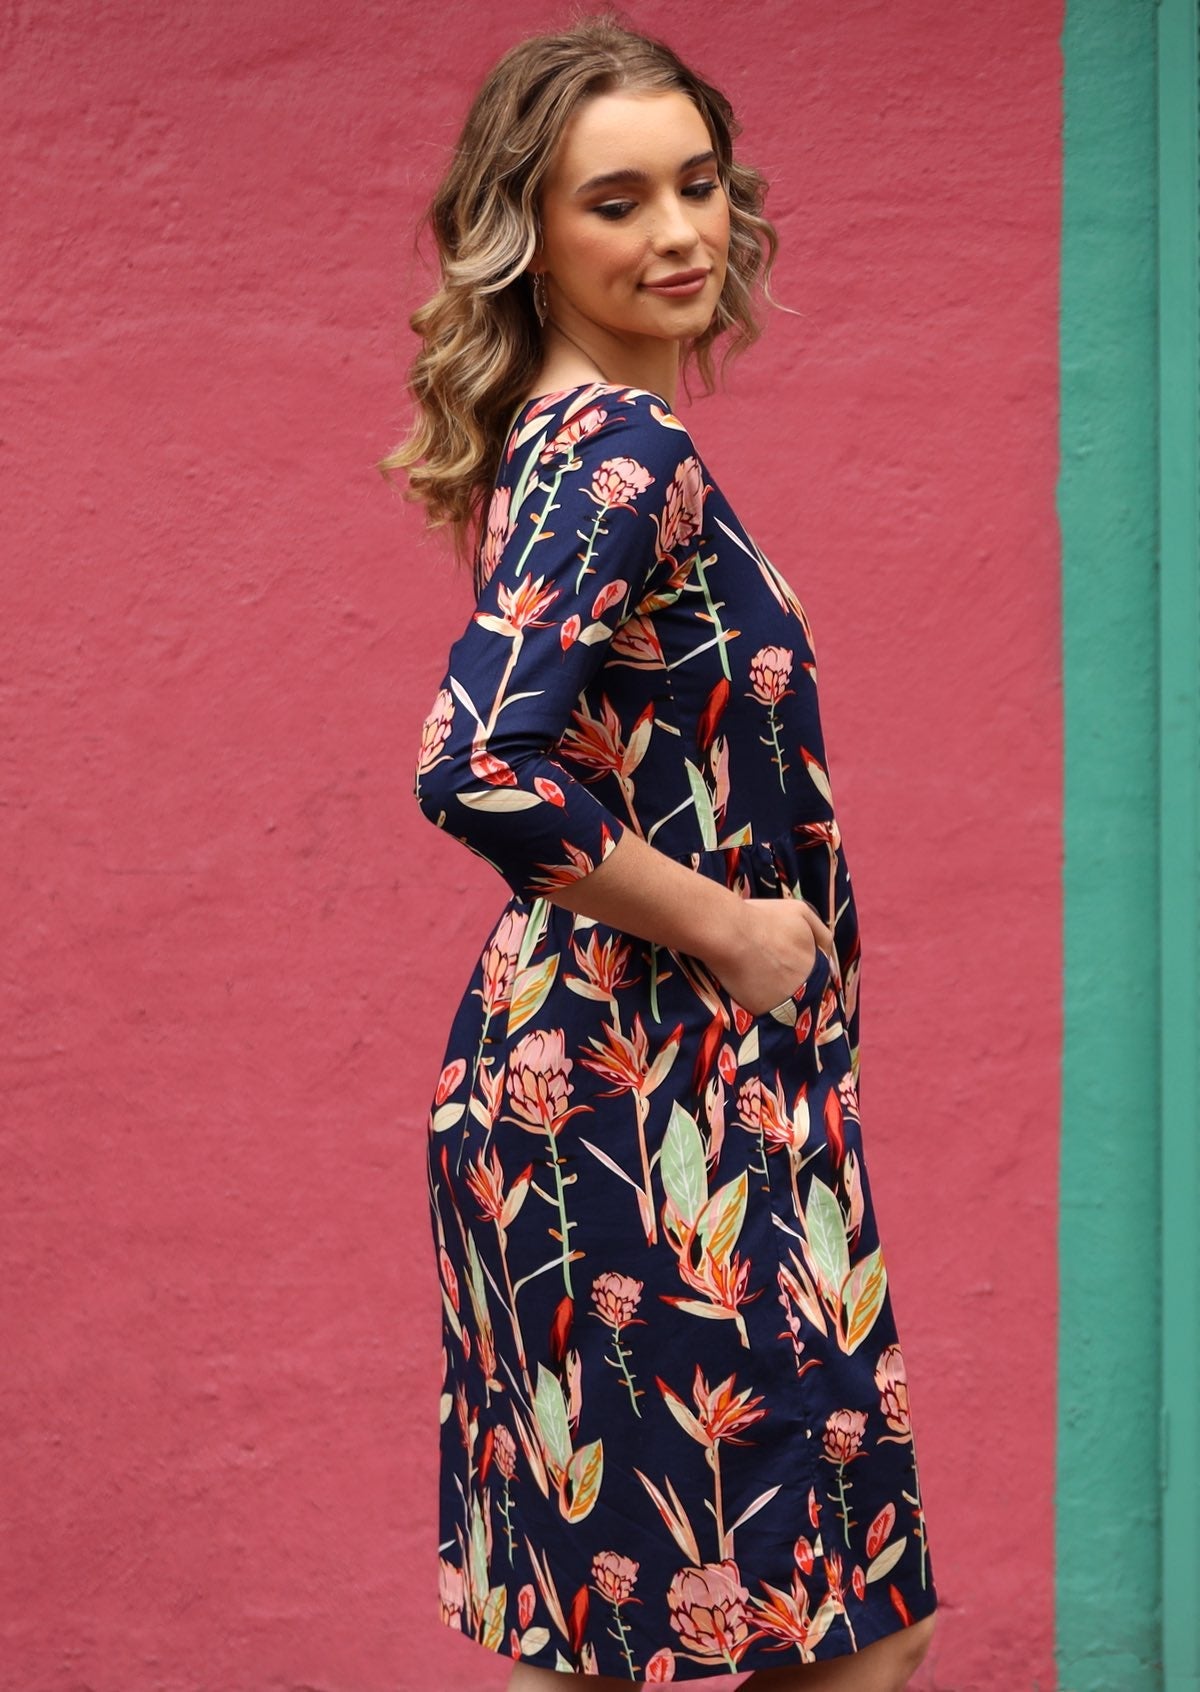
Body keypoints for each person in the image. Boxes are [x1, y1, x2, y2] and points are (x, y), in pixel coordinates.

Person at [381, 13, 939, 1688]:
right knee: (838, 1626)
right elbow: (476, 765)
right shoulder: (624, 453)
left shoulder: (557, 448)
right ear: (527, 234)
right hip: (643, 1099)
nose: (681, 231)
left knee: (658, 1629)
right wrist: (739, 934)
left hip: (636, 1092)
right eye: (615, 201)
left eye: (696, 184)